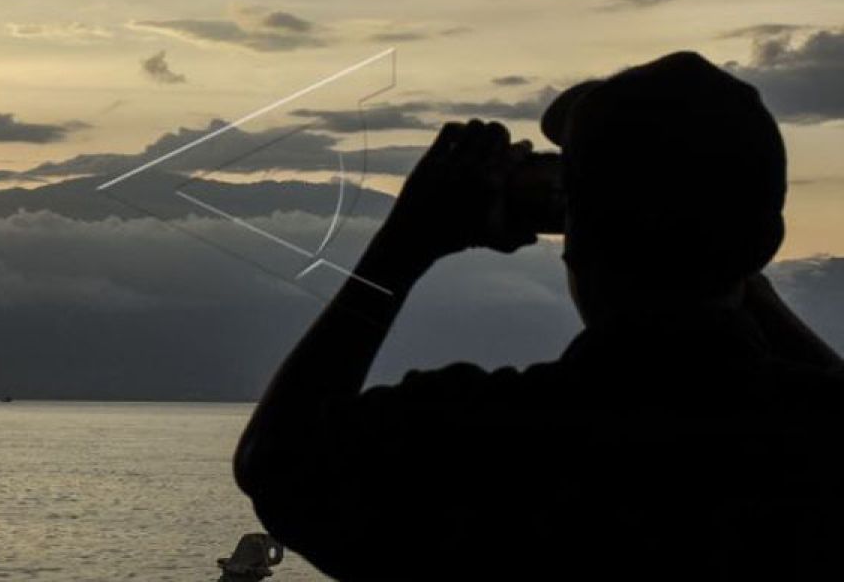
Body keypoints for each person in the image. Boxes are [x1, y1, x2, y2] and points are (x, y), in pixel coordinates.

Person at [234, 51, 844, 580]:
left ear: (572, 236)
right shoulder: (812, 445)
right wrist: (736, 267)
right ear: (766, 242)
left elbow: (279, 464)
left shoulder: (480, 449)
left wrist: (406, 242)